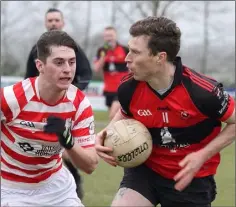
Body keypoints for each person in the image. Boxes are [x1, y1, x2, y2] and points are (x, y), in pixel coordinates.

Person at [95, 16, 235, 207]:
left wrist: (202, 155)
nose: (127, 59)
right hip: (145, 170)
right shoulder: (129, 87)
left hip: (190, 178)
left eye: (135, 52)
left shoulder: (203, 92)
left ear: (160, 57)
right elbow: (126, 113)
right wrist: (107, 132)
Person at [1, 30, 98, 206]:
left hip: (55, 186)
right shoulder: (12, 98)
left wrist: (68, 140)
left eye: (72, 62)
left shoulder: (79, 104)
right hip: (11, 189)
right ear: (40, 66)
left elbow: (90, 165)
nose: (68, 69)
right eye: (59, 62)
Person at [24, 8, 92, 199]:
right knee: (40, 151)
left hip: (67, 111)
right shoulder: (37, 50)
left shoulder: (73, 48)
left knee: (67, 150)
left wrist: (69, 93)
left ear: (62, 23)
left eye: (56, 20)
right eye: (50, 20)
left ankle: (74, 188)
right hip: (38, 110)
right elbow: (27, 79)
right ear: (46, 23)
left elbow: (86, 74)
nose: (53, 23)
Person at [93, 26, 129, 120]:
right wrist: (103, 56)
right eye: (106, 36)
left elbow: (133, 66)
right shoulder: (101, 51)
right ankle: (117, 134)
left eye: (111, 35)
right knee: (114, 118)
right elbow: (96, 68)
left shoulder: (124, 49)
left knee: (113, 116)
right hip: (108, 89)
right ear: (104, 37)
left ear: (115, 36)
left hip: (122, 88)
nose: (109, 38)